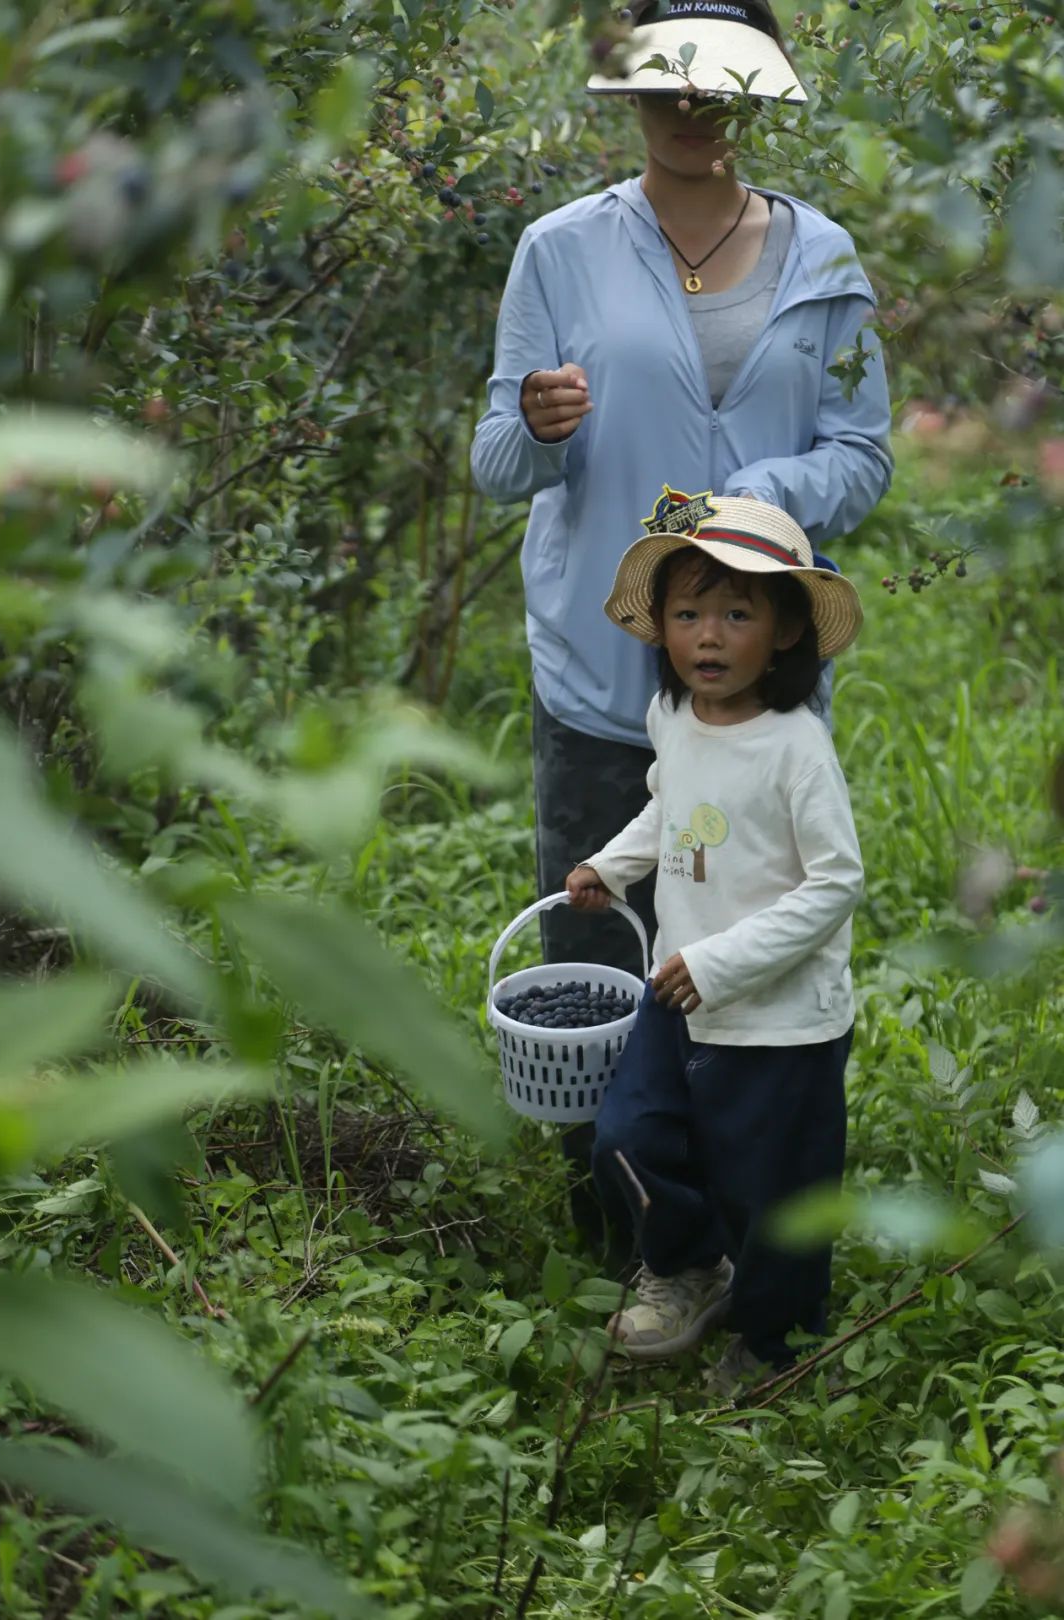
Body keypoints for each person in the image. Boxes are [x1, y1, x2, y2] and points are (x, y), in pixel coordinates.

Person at [471, 0, 891, 1257]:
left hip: (759, 687)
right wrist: (541, 427)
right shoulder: (560, 250)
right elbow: (496, 459)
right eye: (668, 87)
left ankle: (745, 1228)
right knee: (601, 949)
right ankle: (621, 1231)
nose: (694, 109)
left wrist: (761, 497)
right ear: (629, 96)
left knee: (747, 959)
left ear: (757, 95)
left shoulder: (826, 263)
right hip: (604, 678)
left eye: (720, 88)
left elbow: (863, 460)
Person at [565, 490, 864, 1397]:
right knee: (627, 1134)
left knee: (771, 1189)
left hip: (775, 1019)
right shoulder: (675, 721)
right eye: (689, 613)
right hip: (677, 990)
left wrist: (721, 963)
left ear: (782, 633)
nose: (709, 635)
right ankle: (690, 1266)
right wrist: (612, 866)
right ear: (661, 629)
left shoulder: (795, 748)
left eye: (738, 612)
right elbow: (673, 807)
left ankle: (778, 1342)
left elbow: (835, 883)